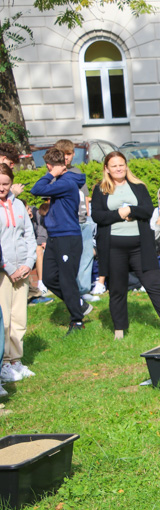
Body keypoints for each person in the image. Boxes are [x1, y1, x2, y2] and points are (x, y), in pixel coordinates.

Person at [90, 151, 160, 339]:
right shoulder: (100, 189)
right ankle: (119, 329)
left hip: (140, 247)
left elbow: (147, 210)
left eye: (121, 164)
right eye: (114, 166)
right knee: (117, 289)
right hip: (113, 247)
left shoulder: (138, 186)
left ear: (126, 166)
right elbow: (98, 216)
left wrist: (131, 210)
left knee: (155, 284)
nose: (118, 168)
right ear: (107, 169)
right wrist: (119, 213)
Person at [28, 148, 90, 334]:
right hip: (55, 236)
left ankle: (77, 321)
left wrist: (51, 174)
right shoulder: (62, 180)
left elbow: (36, 189)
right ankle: (79, 303)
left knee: (66, 280)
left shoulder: (67, 181)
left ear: (49, 166)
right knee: (48, 277)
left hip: (67, 236)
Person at [0, 164, 37, 392]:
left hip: (21, 270)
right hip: (3, 271)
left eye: (5, 184)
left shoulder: (19, 205)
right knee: (3, 320)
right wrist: (9, 268)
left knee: (19, 317)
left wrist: (28, 263)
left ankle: (15, 359)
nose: (1, 188)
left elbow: (29, 235)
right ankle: (3, 361)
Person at [53, 140, 98, 304]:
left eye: (69, 154)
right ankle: (72, 291)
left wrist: (87, 216)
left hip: (82, 220)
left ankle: (83, 289)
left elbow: (85, 196)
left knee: (86, 255)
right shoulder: (53, 173)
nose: (66, 157)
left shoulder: (77, 172)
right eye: (63, 154)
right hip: (65, 224)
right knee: (69, 258)